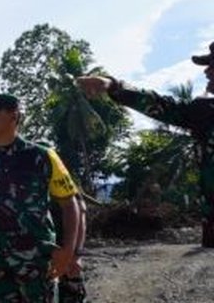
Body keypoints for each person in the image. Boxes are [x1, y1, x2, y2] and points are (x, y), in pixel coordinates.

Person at [77, 41, 214, 248]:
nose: (207, 71)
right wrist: (114, 87)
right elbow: (160, 105)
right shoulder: (204, 112)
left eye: (212, 64)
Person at [0, 92, 81, 303]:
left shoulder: (42, 156)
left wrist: (68, 251)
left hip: (36, 261)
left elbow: (70, 204)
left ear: (13, 116)